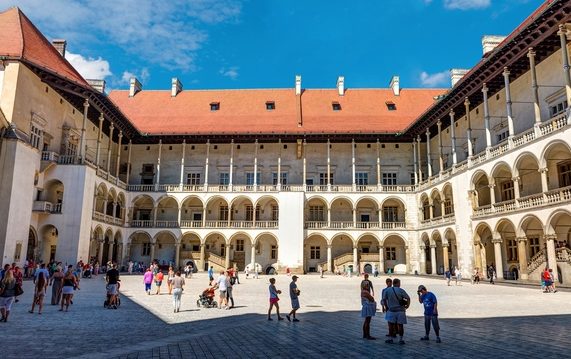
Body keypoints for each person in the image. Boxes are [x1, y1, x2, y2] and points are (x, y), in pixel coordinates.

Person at [382, 278, 410, 345]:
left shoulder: (387, 290)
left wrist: (386, 307)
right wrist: (407, 306)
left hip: (391, 310)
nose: (400, 284)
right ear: (397, 283)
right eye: (399, 283)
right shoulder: (401, 290)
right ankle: (401, 339)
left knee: (391, 325)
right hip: (400, 311)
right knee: (400, 325)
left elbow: (384, 299)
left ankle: (391, 339)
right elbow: (408, 298)